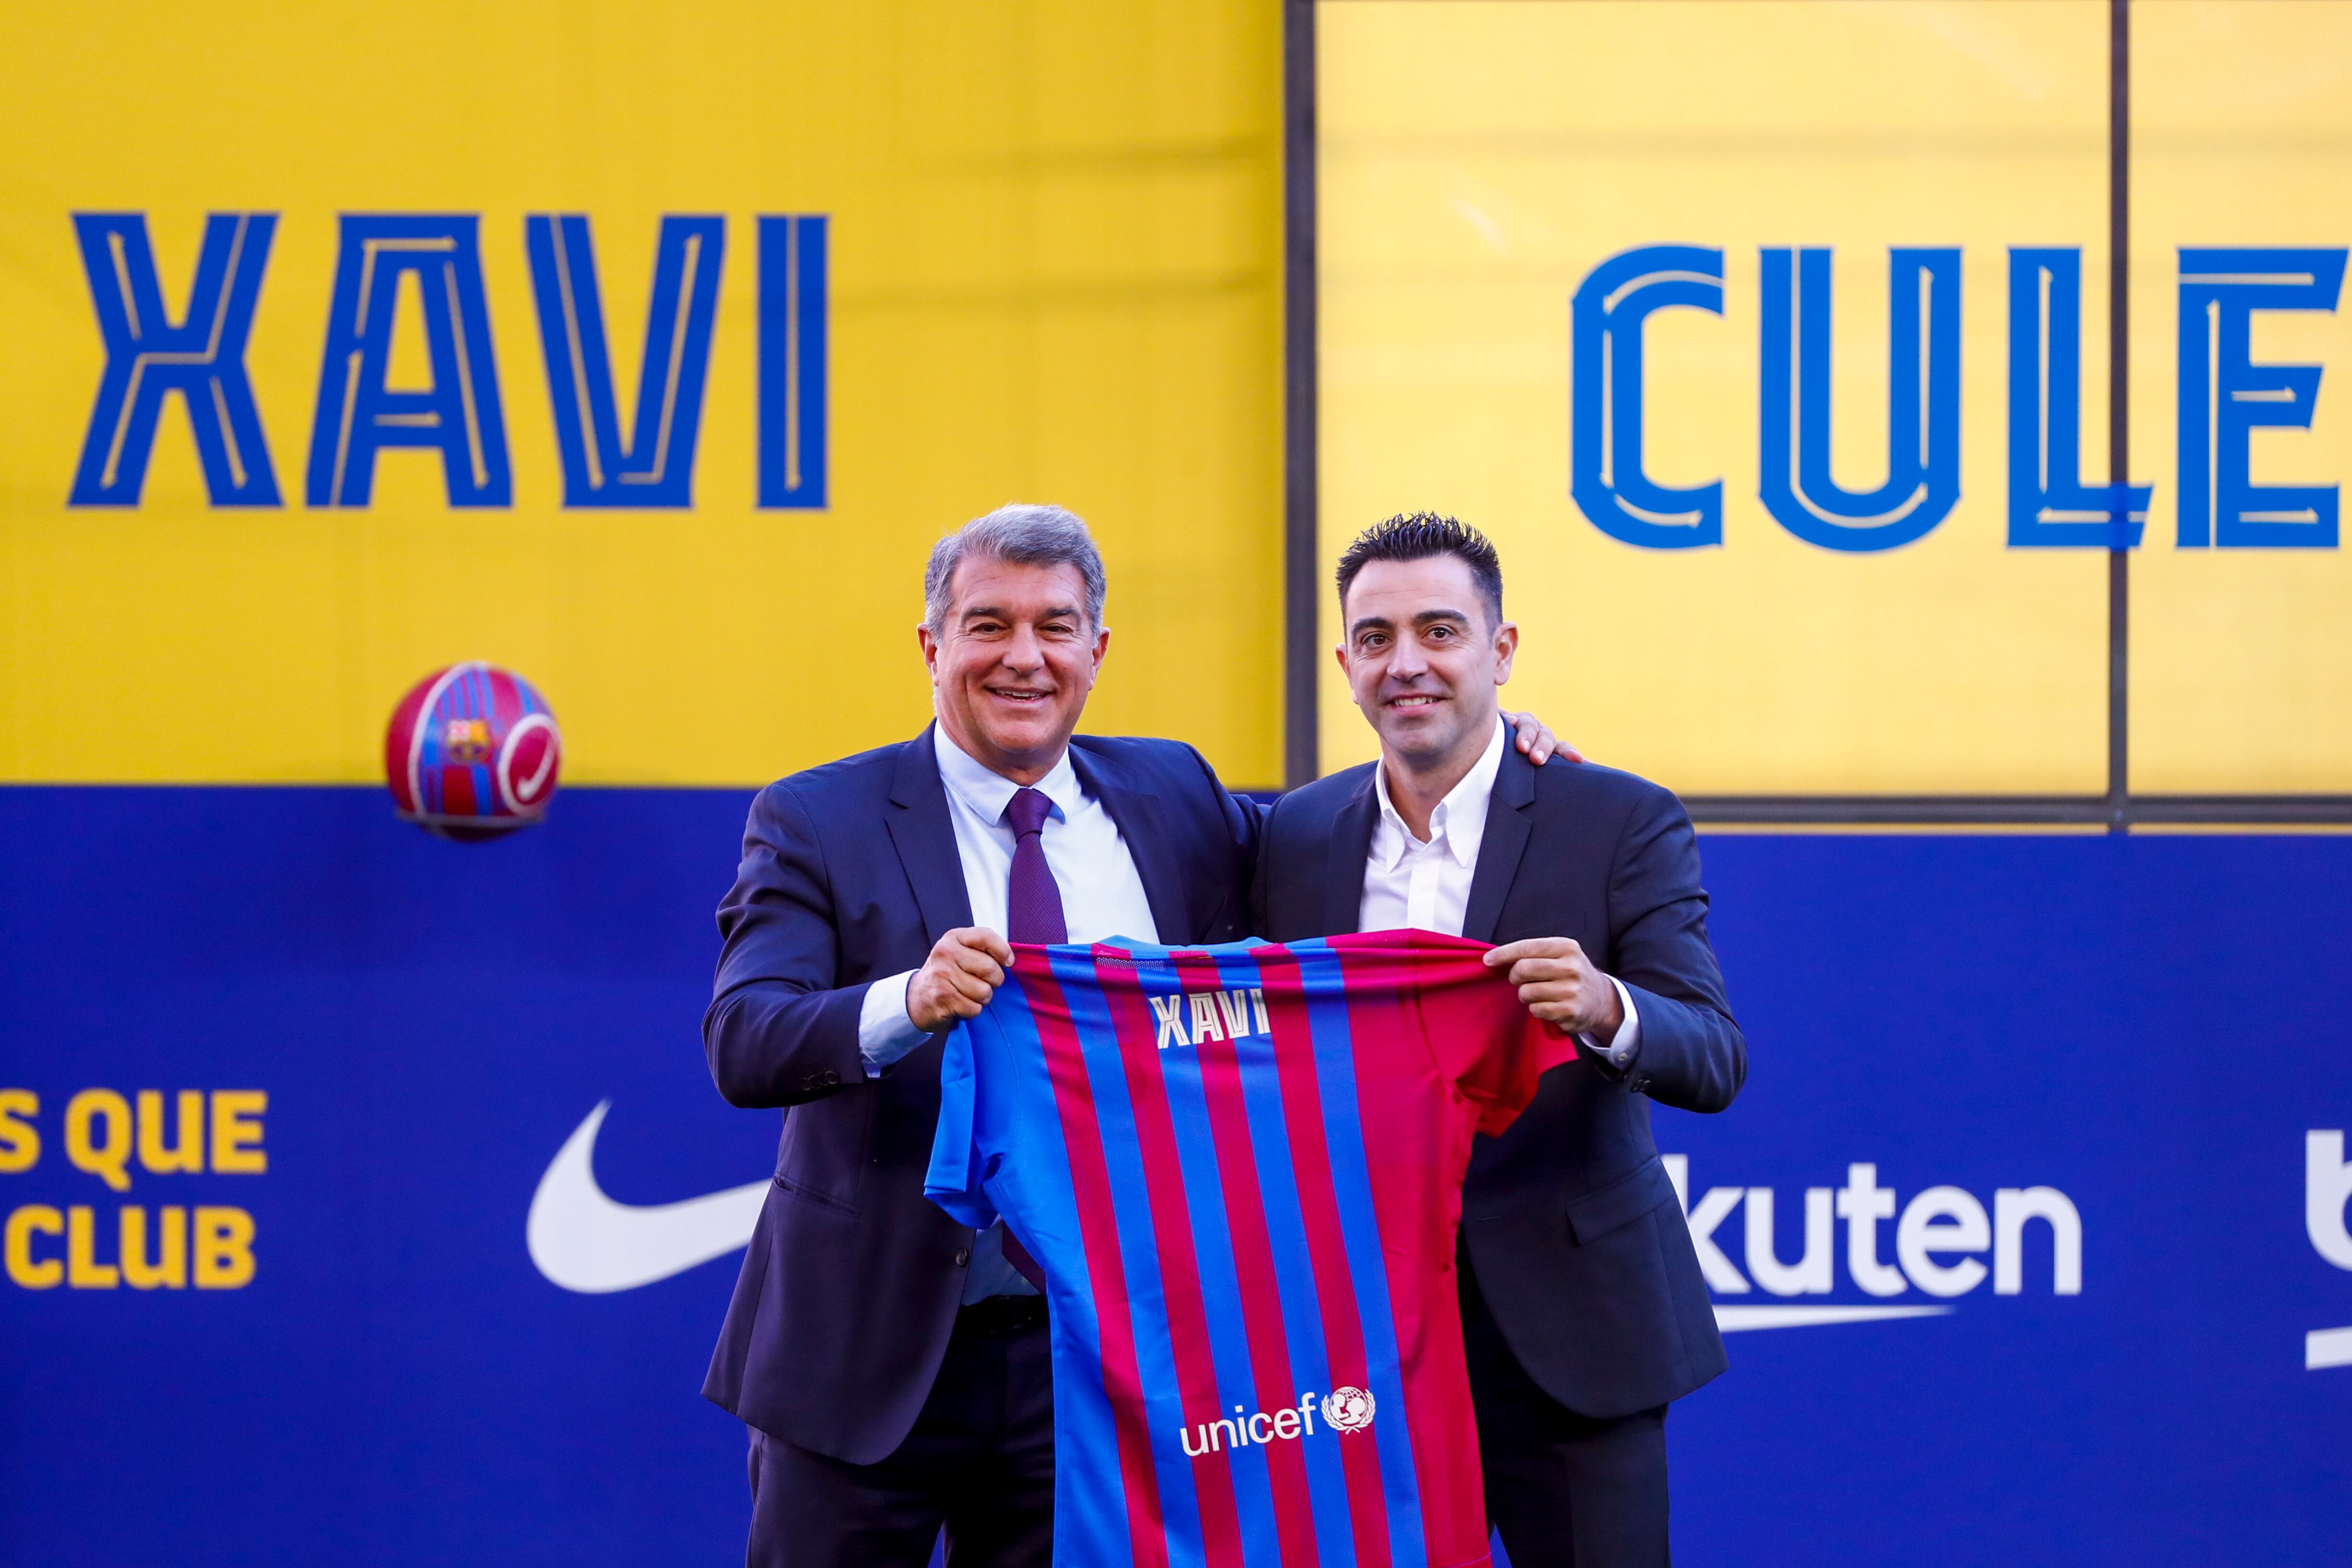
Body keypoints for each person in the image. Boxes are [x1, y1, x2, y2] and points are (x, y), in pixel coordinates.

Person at [699, 502, 1562, 1568]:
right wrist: (907, 998)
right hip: (863, 1355)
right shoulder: (816, 817)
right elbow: (746, 1037)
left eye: (1055, 627)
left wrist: (1497, 748)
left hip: (1100, 1367)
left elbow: (1357, 833)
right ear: (931, 645)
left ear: (1096, 652)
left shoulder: (1175, 795)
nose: (1023, 657)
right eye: (987, 624)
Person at [1251, 512, 1745, 1568]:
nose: (1407, 663)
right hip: (1352, 1346)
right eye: (1375, 638)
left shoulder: (1615, 818)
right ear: (1343, 664)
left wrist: (1606, 1005)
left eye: (1440, 630)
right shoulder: (1288, 836)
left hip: (1569, 1341)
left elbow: (1711, 1051)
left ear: (1501, 650)